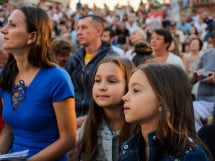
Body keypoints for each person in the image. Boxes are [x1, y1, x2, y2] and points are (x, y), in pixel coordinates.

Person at [0, 6, 76, 161]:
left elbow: (68, 139)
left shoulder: (57, 78)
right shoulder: (5, 76)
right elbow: (9, 129)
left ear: (32, 37)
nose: (3, 30)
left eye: (12, 25)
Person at [120, 63, 210, 161]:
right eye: (128, 90)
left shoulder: (190, 156)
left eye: (136, 90)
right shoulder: (128, 148)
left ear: (162, 100)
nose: (124, 97)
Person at [70, 55, 138, 161]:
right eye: (97, 80)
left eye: (111, 81)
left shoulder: (139, 128)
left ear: (129, 85)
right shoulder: (89, 125)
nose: (102, 87)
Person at [66, 15, 115, 127]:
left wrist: (86, 119)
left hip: (99, 120)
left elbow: (113, 101)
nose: (79, 32)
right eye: (77, 28)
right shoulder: (75, 58)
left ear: (99, 31)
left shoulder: (111, 59)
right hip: (72, 116)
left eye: (84, 28)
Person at [190, 33, 215, 131]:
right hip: (204, 102)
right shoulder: (208, 54)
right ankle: (200, 143)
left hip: (211, 102)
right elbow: (189, 79)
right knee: (186, 110)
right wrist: (195, 75)